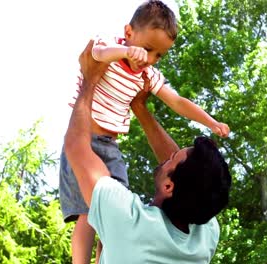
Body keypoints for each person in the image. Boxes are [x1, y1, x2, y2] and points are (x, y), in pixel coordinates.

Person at [60, 1, 229, 262]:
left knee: (93, 213)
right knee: (89, 217)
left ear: (170, 185)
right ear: (128, 33)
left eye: (158, 55)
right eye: (148, 49)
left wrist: (210, 122)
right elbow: (99, 52)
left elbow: (177, 102)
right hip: (97, 138)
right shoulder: (204, 231)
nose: (150, 59)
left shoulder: (129, 222)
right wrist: (123, 54)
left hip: (98, 142)